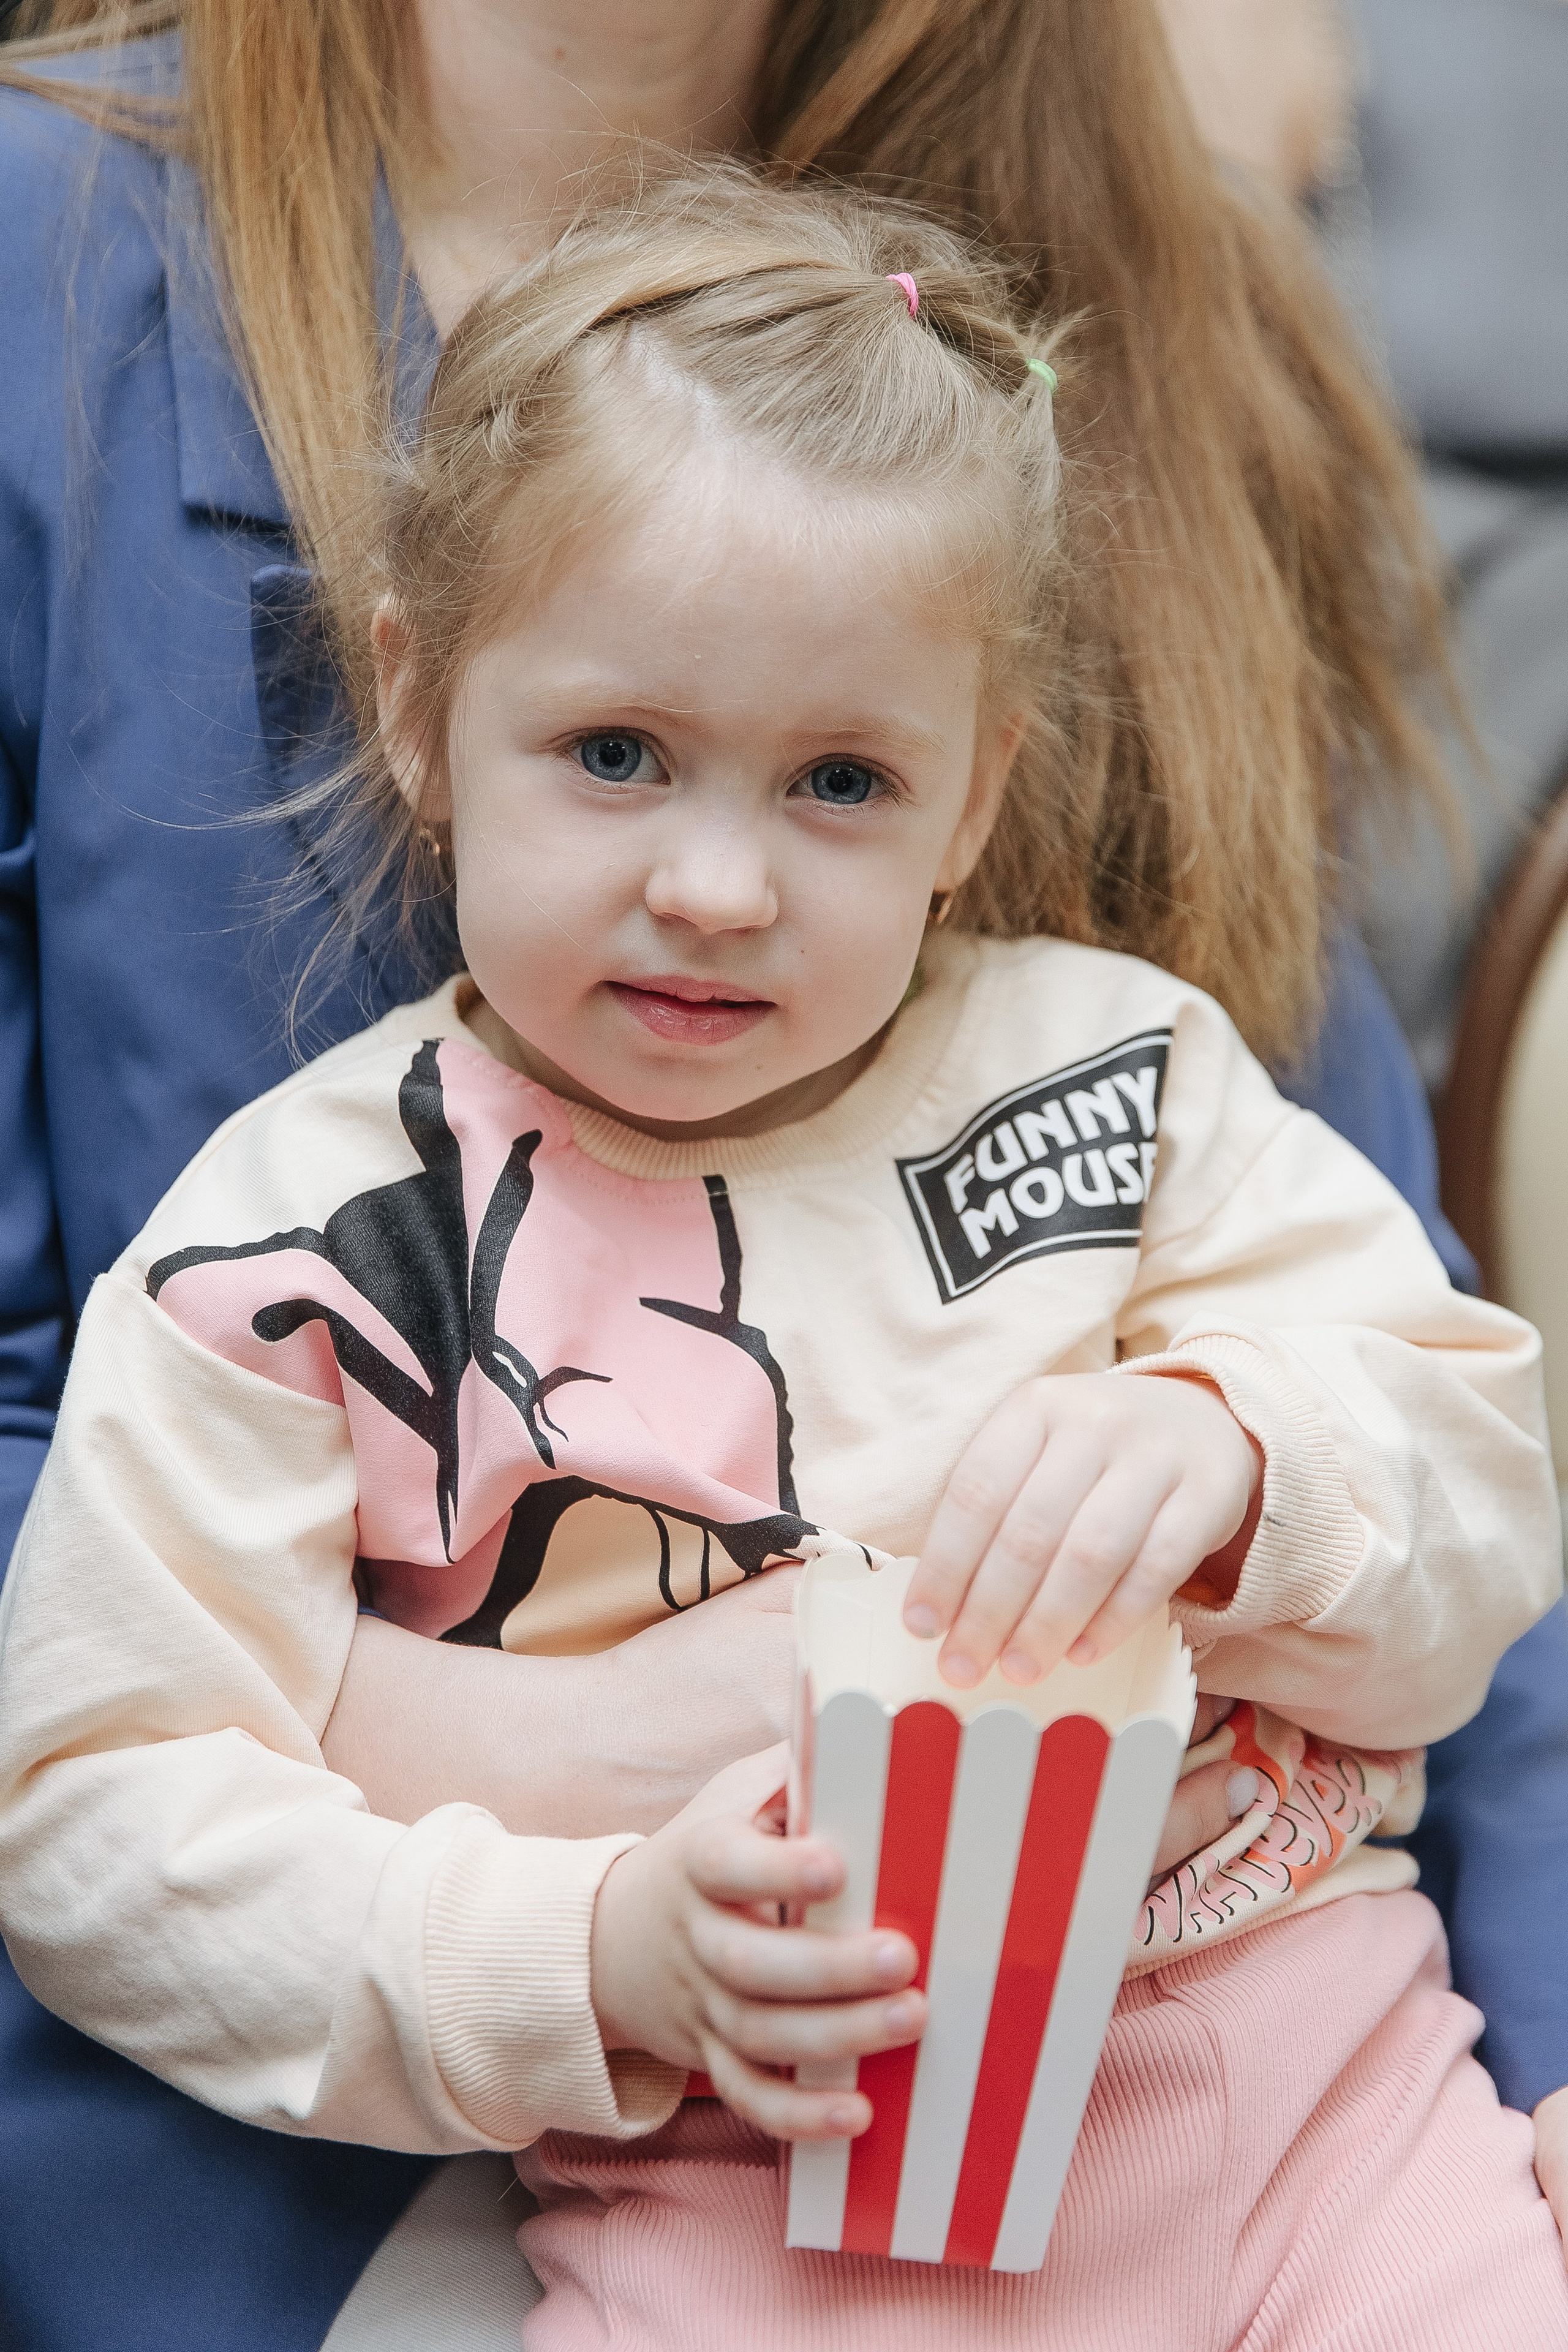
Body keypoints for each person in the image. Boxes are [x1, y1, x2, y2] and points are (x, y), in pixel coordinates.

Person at [2, 3, 1567, 2340]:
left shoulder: (1119, 1072)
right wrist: (576, 1940)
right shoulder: (301, 1242)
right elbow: (105, 1793)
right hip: (744, 2175)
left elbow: (1463, 1437)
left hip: (1323, 2086)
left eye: (842, 780)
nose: (720, 888)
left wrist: (1248, 1452)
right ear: (414, 708)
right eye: (619, 753)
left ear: (981, 785)